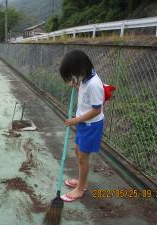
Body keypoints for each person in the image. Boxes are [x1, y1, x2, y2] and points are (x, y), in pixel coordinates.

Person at [59, 50, 104, 202]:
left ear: (80, 67)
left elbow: (96, 110)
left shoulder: (94, 84)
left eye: (73, 72)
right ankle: (82, 182)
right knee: (79, 153)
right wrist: (77, 87)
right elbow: (85, 95)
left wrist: (76, 120)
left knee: (83, 158)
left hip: (91, 126)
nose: (73, 76)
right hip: (83, 123)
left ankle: (80, 188)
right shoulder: (85, 78)